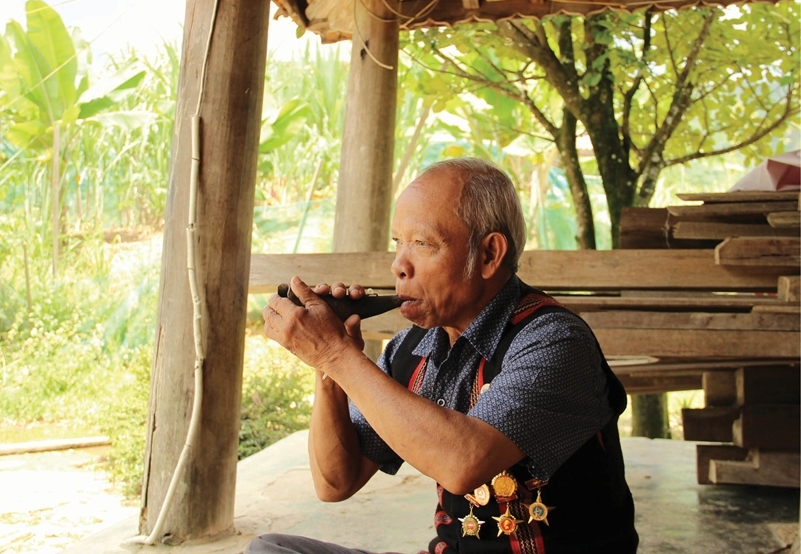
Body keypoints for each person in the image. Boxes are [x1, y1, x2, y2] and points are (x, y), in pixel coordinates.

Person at [255, 158, 638, 554]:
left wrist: (337, 355)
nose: (399, 265)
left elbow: (463, 464)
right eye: (398, 243)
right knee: (269, 550)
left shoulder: (555, 342)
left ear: (489, 254)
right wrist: (329, 368)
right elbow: (335, 482)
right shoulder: (413, 349)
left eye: (422, 244)